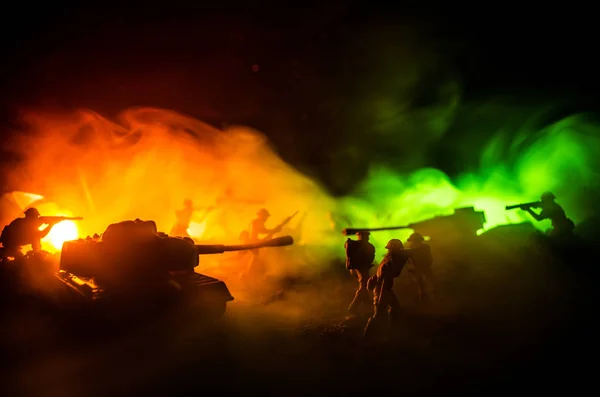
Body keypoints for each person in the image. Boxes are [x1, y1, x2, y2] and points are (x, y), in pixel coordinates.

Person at [363, 238, 411, 340]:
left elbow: (378, 276)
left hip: (385, 289)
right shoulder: (389, 261)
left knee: (395, 309)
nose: (399, 250)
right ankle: (366, 336)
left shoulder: (387, 259)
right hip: (382, 289)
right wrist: (381, 296)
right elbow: (384, 280)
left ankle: (391, 333)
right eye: (398, 248)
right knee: (378, 314)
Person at [345, 231, 376, 318]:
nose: (366, 237)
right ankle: (353, 308)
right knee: (363, 287)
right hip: (361, 269)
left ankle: (369, 307)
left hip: (360, 269)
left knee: (364, 287)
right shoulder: (358, 245)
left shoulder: (358, 245)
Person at [406, 232, 434, 304]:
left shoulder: (424, 247)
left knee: (428, 285)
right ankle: (423, 301)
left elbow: (429, 258)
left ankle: (427, 301)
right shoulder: (412, 248)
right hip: (418, 270)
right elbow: (410, 261)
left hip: (424, 269)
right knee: (421, 287)